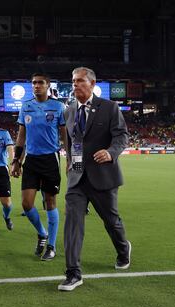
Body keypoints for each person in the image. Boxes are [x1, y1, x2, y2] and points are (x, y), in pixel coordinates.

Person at [58, 67, 131, 291]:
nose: (75, 85)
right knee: (73, 224)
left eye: (80, 81)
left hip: (103, 175)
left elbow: (122, 135)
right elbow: (71, 140)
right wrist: (70, 161)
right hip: (77, 176)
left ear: (92, 83)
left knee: (111, 220)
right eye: (73, 81)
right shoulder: (69, 110)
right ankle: (73, 273)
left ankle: (122, 248)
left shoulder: (109, 107)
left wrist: (110, 152)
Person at [10, 73, 68, 261]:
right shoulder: (25, 106)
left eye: (40, 83)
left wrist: (69, 160)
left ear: (48, 85)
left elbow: (65, 135)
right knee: (27, 204)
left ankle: (51, 245)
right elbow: (21, 136)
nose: (36, 86)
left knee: (50, 202)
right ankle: (42, 233)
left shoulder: (58, 107)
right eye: (33, 83)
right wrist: (17, 160)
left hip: (50, 159)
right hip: (32, 160)